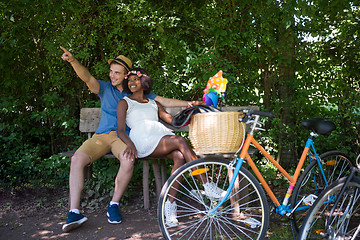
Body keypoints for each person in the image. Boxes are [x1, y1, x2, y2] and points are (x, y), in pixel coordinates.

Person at [60, 46, 202, 232]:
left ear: (127, 75)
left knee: (128, 159)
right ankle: (74, 211)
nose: (112, 76)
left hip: (123, 138)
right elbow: (86, 77)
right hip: (102, 136)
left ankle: (114, 205)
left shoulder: (134, 91)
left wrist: (189, 104)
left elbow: (164, 101)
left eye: (117, 73)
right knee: (76, 159)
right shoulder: (104, 88)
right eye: (111, 72)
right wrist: (73, 61)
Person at [117, 68, 226, 227]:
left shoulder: (154, 103)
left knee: (180, 157)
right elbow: (120, 130)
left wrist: (193, 109)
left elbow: (172, 121)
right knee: (180, 141)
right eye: (130, 80)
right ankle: (206, 184)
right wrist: (130, 144)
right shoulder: (124, 102)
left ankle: (170, 207)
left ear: (144, 81)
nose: (131, 83)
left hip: (158, 136)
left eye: (136, 79)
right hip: (141, 139)